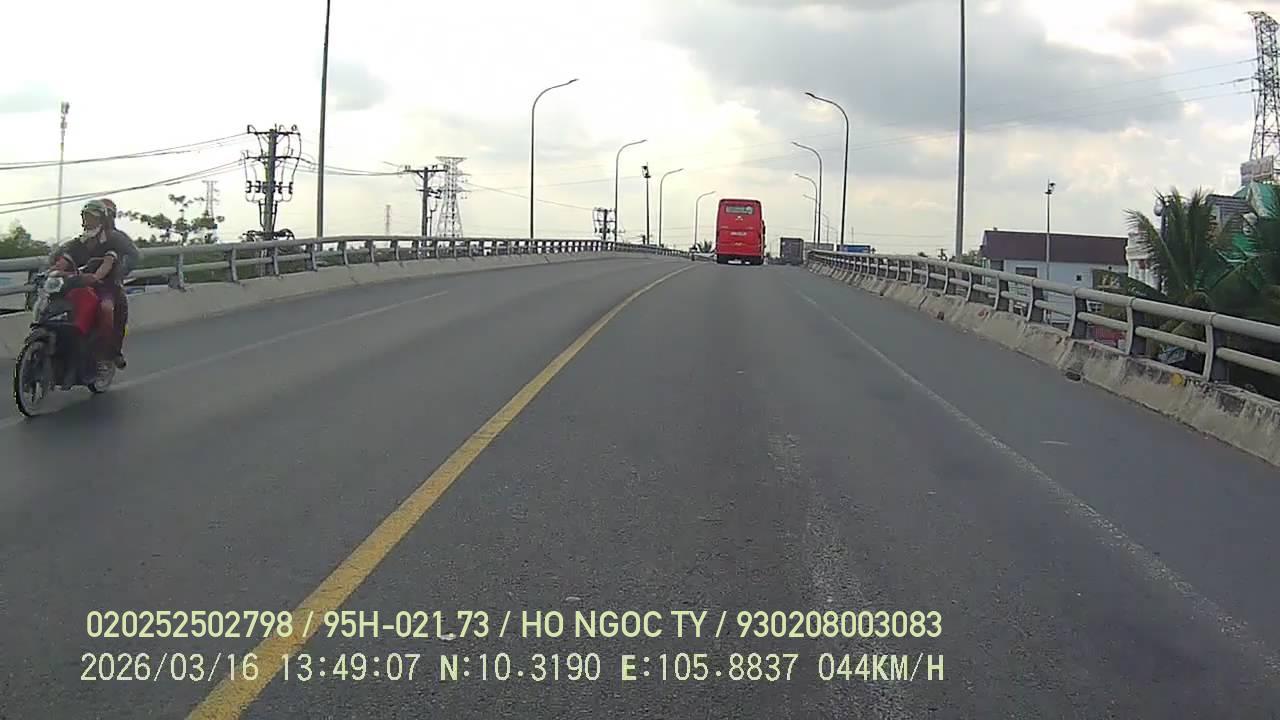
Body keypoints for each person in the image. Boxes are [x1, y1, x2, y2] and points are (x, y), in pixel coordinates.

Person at [49, 199, 138, 368]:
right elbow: (63, 257)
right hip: (78, 282)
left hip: (106, 284)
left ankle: (107, 352)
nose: (88, 221)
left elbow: (114, 261)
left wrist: (113, 274)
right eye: (86, 216)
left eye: (93, 217)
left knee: (108, 309)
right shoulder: (79, 241)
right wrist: (53, 269)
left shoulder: (115, 239)